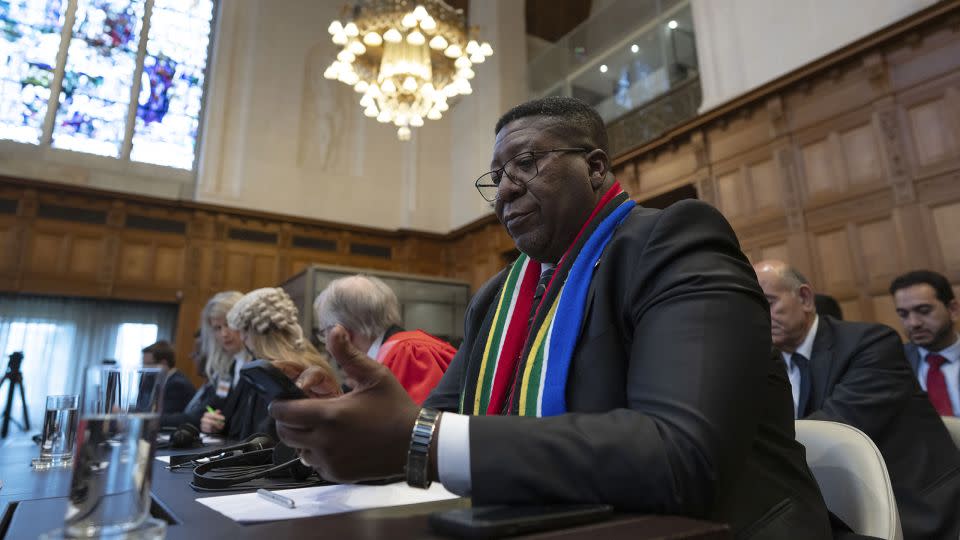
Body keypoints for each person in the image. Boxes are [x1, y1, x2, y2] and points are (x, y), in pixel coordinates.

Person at [270, 97, 832, 538]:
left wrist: (418, 439)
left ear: (594, 167)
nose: (505, 188)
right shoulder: (497, 296)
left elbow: (681, 453)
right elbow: (435, 425)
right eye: (496, 176)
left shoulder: (673, 241)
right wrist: (351, 418)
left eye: (526, 162)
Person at [755, 260, 960, 539]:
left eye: (767, 302)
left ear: (804, 298)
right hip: (837, 503)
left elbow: (831, 432)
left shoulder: (871, 344)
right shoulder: (770, 362)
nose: (759, 316)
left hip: (912, 511)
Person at [314, 275, 455, 404]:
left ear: (341, 333)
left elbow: (414, 428)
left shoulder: (411, 354)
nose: (326, 346)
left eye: (324, 332)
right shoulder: (398, 353)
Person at [224, 287, 340, 439]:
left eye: (244, 330)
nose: (243, 338)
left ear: (254, 331)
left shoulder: (271, 373)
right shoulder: (313, 362)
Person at [889, 269, 960, 416]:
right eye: (903, 314)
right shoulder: (891, 362)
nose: (913, 323)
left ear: (953, 310)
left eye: (924, 310)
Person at [141, 340, 195, 422]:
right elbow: (142, 407)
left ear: (163, 364)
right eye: (143, 364)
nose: (144, 369)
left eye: (148, 364)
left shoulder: (178, 384)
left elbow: (164, 417)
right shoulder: (150, 380)